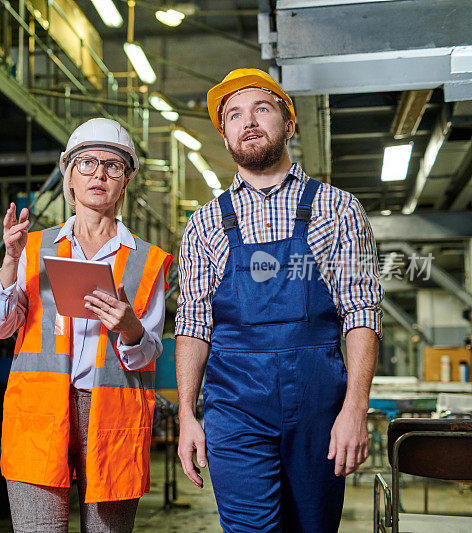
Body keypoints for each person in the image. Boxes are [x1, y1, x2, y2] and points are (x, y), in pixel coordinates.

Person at [175, 68, 383, 532]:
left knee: (313, 526)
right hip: (235, 406)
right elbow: (192, 324)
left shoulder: (338, 208)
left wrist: (355, 409)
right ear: (225, 134)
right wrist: (188, 413)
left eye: (261, 108)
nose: (247, 121)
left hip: (319, 408)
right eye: (233, 115)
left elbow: (361, 312)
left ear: (288, 124)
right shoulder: (205, 224)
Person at [0, 118, 172, 532]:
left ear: (126, 181)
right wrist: (11, 262)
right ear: (69, 176)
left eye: (113, 165)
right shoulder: (33, 247)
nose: (99, 174)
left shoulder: (148, 261)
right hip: (40, 412)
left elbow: (149, 352)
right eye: (86, 163)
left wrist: (129, 327)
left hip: (112, 419)